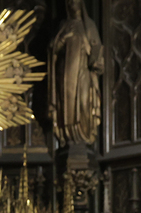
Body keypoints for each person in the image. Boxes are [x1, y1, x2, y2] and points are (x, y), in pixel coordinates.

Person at [48, 0, 104, 145]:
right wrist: (63, 38)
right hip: (65, 73)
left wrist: (94, 57)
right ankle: (68, 133)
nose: (72, 4)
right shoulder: (64, 26)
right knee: (66, 104)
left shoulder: (88, 25)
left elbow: (97, 48)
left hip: (83, 71)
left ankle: (85, 133)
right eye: (69, 1)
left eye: (75, 1)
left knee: (84, 103)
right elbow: (53, 48)